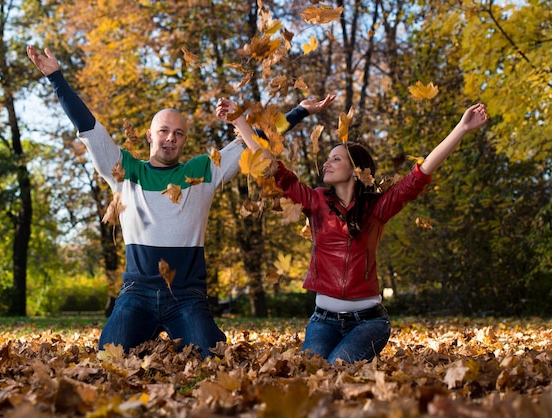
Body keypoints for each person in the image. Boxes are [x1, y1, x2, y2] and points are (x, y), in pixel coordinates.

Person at [27, 45, 334, 357]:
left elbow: (254, 140)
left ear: (185, 140)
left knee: (213, 356)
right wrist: (56, 78)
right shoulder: (124, 170)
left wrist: (300, 111)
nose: (171, 138)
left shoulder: (201, 170)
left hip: (187, 296)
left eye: (178, 133)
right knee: (110, 355)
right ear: (150, 135)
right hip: (137, 293)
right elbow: (89, 128)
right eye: (164, 131)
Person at [219, 99, 489, 364]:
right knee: (311, 371)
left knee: (338, 368)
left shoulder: (377, 209)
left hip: (369, 323)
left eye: (336, 159)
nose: (327, 163)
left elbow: (419, 174)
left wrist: (462, 128)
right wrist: (239, 120)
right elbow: (271, 167)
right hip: (322, 320)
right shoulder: (315, 201)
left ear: (356, 170)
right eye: (327, 158)